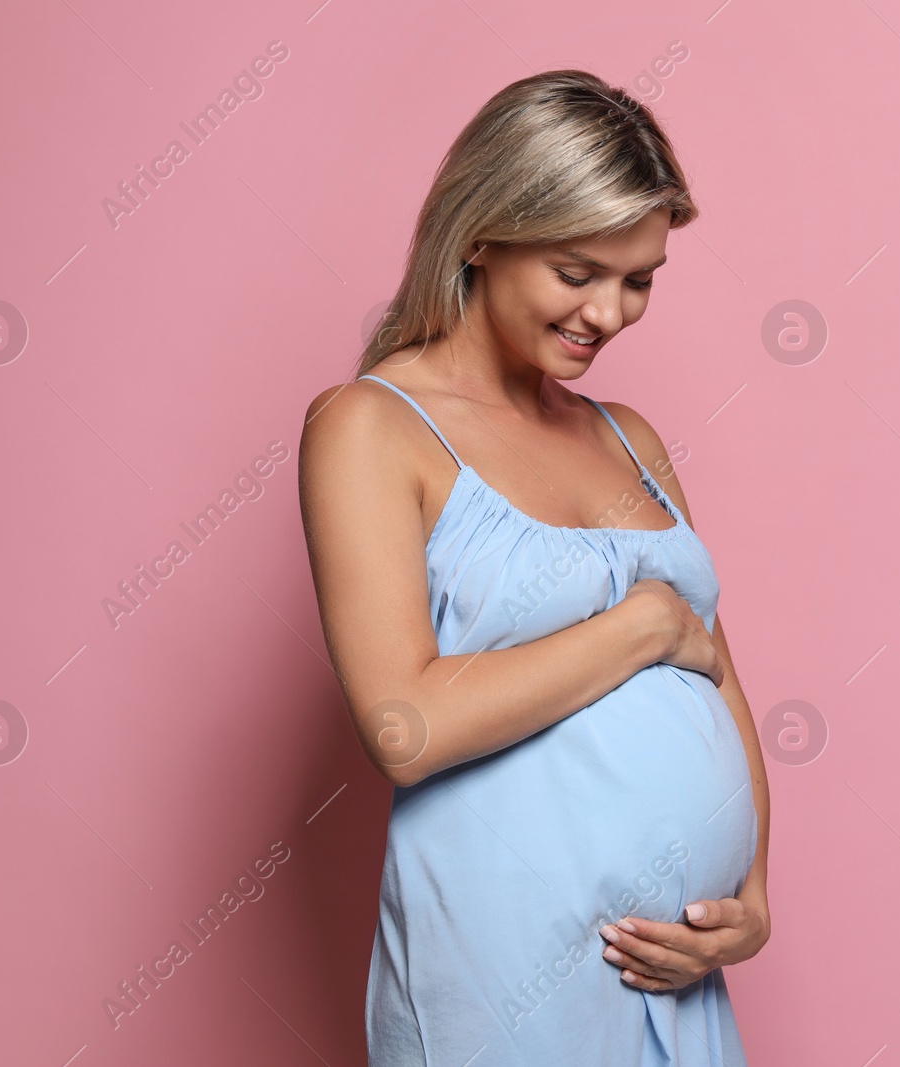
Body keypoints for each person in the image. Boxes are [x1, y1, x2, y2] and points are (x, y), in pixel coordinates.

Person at [298, 68, 771, 1065]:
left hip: (674, 975)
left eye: (637, 279)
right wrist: (640, 625)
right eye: (576, 271)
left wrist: (752, 894)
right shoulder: (373, 428)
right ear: (482, 232)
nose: (607, 312)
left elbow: (718, 676)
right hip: (503, 963)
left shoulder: (628, 437)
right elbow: (405, 726)